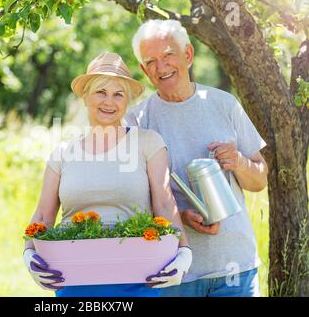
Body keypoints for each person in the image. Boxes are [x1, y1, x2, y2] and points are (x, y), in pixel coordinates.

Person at [23, 52, 192, 297]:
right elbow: (42, 215)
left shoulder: (147, 143)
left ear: (127, 101)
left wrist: (183, 251)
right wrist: (29, 254)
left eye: (118, 94)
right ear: (85, 97)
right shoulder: (63, 153)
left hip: (139, 278)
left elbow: (165, 203)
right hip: (74, 281)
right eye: (100, 92)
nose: (109, 102)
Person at [125, 20, 268, 297]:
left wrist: (238, 161)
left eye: (168, 55)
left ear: (187, 55)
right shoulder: (137, 121)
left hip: (235, 267)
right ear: (143, 69)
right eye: (151, 61)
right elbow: (133, 201)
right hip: (174, 270)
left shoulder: (224, 104)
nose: (161, 67)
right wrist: (180, 217)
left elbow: (259, 179)